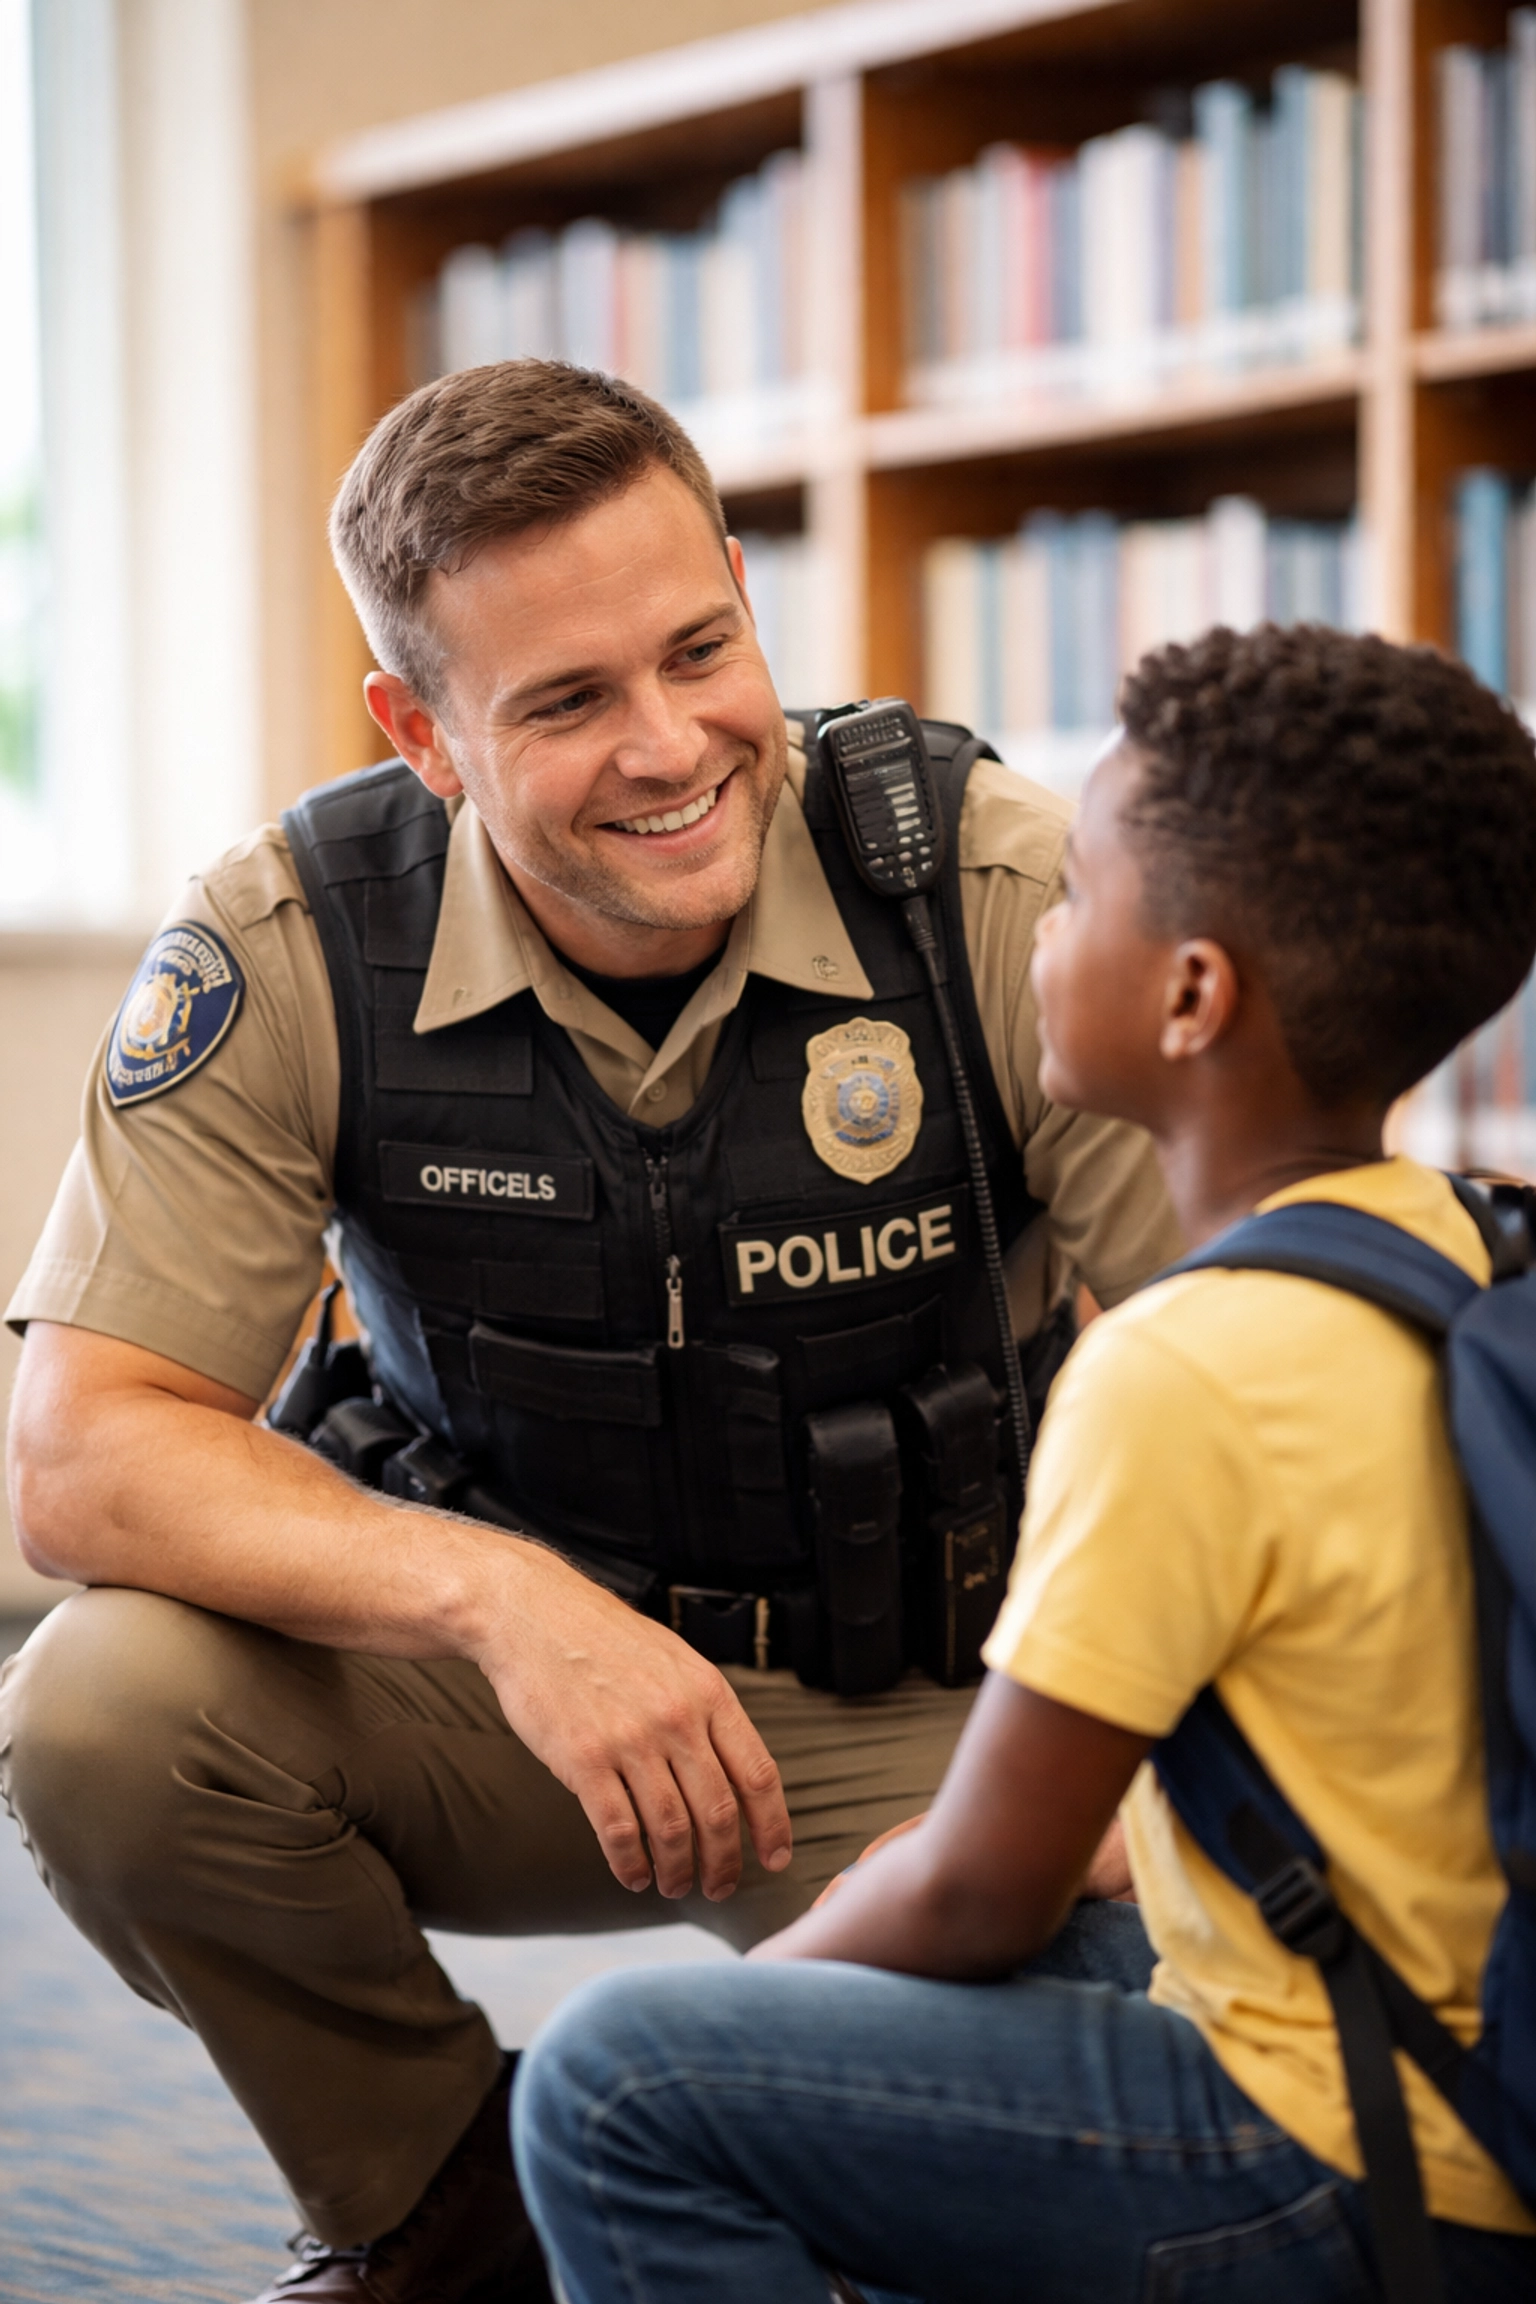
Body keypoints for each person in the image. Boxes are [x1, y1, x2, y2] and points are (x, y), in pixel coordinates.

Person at [0, 360, 1180, 2304]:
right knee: (104, 1719)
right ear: (426, 730)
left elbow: (1259, 1335)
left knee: (1155, 2130)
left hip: (955, 1707)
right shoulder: (294, 940)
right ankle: (440, 2210)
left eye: (698, 646)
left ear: (739, 582)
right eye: (564, 700)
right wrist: (501, 1605)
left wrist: (1154, 1753)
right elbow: (82, 1449)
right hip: (530, 1713)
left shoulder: (988, 878)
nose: (671, 745)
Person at [511, 623, 1536, 2303]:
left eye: (1078, 899)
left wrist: (780, 1995)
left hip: (1341, 2166)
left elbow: (981, 1890)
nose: (1039, 934)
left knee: (621, 2078)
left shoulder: (1180, 1368)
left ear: (1193, 994)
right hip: (1484, 2089)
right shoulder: (1466, 1258)